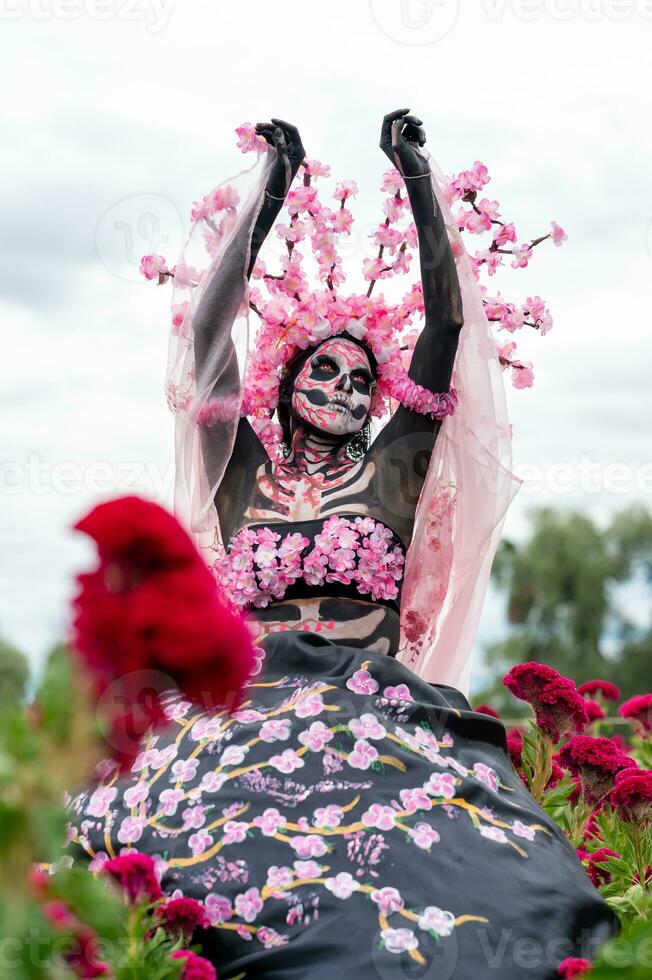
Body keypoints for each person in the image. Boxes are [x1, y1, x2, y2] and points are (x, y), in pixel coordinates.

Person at [70, 110, 617, 977]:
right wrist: (270, 193)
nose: (345, 388)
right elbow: (208, 340)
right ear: (285, 384)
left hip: (368, 715)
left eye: (363, 381)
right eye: (324, 370)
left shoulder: (391, 475)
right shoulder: (239, 474)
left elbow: (444, 328)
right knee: (134, 853)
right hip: (234, 719)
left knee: (453, 887)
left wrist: (418, 179)